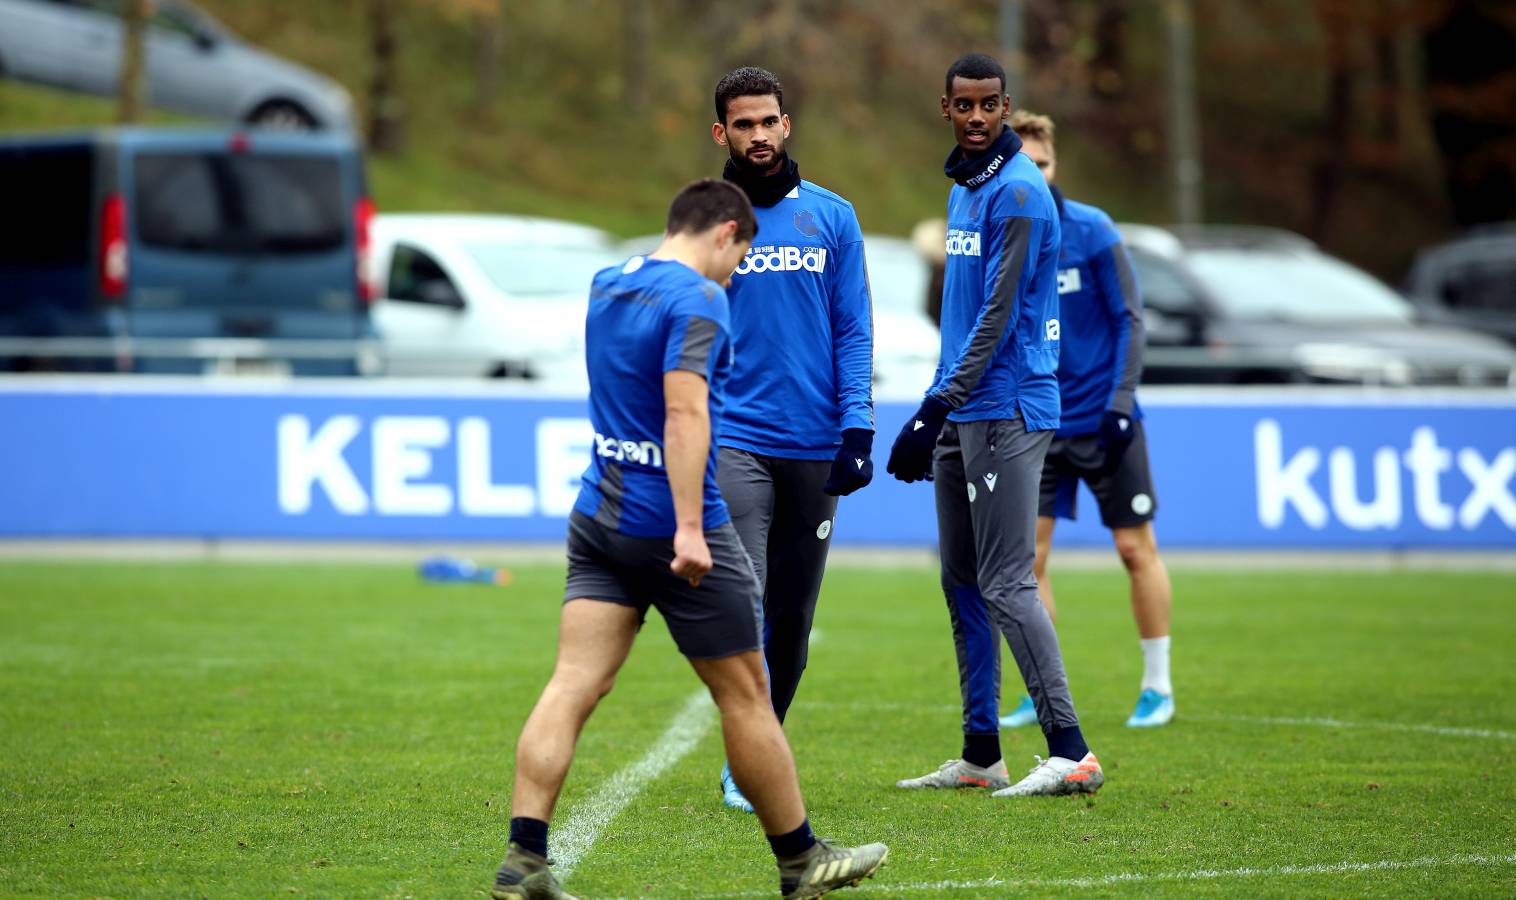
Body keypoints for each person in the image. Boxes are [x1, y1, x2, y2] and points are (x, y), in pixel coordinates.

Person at [490, 179, 887, 900]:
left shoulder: (610, 283)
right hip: (673, 526)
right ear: (725, 232)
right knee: (746, 694)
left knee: (573, 683)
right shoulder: (700, 300)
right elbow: (682, 413)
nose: (736, 273)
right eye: (740, 255)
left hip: (599, 515)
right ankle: (801, 860)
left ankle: (524, 857)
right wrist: (687, 528)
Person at [886, 54, 1103, 798]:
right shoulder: (965, 188)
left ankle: (1071, 750)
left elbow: (998, 317)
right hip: (963, 406)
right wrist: (942, 408)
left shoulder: (1016, 192)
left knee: (1008, 581)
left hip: (1006, 406)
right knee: (962, 583)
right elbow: (961, 317)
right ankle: (982, 754)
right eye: (963, 105)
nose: (976, 117)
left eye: (989, 105)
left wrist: (932, 408)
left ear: (1006, 107)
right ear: (944, 109)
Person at [708, 66, 876, 812]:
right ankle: (742, 760)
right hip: (736, 436)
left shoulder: (833, 218)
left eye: (768, 121)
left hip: (815, 444)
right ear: (722, 134)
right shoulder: (706, 221)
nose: (759, 135)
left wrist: (859, 425)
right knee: (743, 600)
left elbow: (852, 327)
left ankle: (763, 737)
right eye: (743, 125)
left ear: (787, 123)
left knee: (793, 618)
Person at [997, 110, 1175, 730]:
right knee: (1028, 562)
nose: (1034, 175)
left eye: (1041, 163)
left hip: (1103, 417)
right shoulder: (1003, 231)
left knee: (1134, 548)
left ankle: (1158, 685)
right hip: (1037, 420)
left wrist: (1121, 402)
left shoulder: (1093, 230)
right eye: (1023, 165)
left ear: (1055, 163)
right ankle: (1036, 692)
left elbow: (1130, 318)